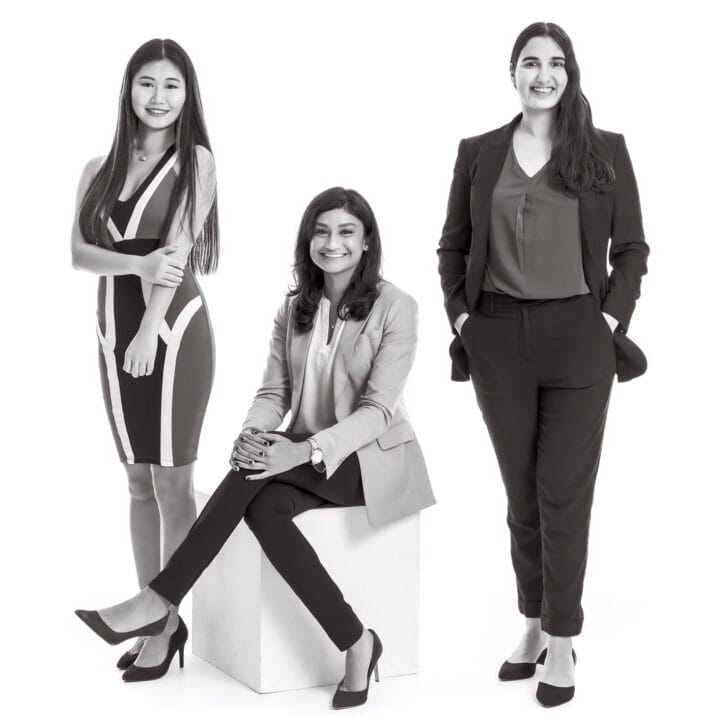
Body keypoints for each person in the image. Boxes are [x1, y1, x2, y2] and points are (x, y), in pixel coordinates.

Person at [76, 187, 435, 709]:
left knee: (256, 475)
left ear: (366, 243)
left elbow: (378, 410)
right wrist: (252, 432)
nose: (331, 243)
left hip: (371, 459)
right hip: (304, 456)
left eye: (345, 232)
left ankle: (159, 600)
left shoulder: (397, 306)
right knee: (262, 504)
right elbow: (275, 394)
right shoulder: (296, 308)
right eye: (321, 231)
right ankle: (357, 640)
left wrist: (301, 451)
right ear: (308, 240)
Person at [437, 22, 648, 707]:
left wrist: (610, 319)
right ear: (512, 72)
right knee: (521, 495)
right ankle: (529, 625)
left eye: (555, 64)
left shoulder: (603, 151)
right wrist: (464, 321)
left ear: (570, 73)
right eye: (530, 62)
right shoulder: (478, 152)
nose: (542, 75)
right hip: (496, 336)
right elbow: (451, 248)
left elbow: (632, 249)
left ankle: (561, 639)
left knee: (563, 493)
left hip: (577, 340)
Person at [71, 38, 218, 680]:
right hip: (110, 332)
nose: (159, 98)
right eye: (147, 84)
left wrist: (148, 326)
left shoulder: (197, 163)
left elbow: (179, 251)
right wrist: (134, 262)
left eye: (172, 86)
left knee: (172, 480)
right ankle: (154, 618)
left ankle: (162, 621)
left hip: (172, 330)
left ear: (188, 96)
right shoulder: (96, 169)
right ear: (128, 89)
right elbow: (79, 254)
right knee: (136, 478)